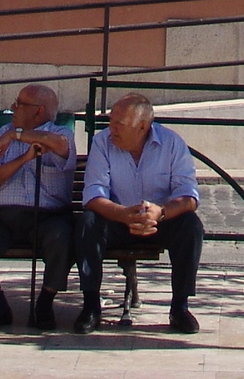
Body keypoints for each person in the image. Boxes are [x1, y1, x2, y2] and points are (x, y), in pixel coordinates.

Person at [73, 92, 203, 335]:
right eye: (111, 121)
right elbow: (93, 195)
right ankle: (91, 306)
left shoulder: (172, 144)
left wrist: (161, 213)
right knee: (87, 223)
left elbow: (189, 196)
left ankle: (180, 308)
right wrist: (123, 214)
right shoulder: (103, 143)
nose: (112, 128)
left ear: (142, 126)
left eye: (119, 124)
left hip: (159, 221)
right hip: (117, 219)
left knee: (190, 226)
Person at [0, 82, 75, 330]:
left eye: (19, 104)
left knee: (63, 236)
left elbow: (60, 146)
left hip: (47, 217)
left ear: (38, 111)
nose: (13, 107)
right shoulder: (1, 135)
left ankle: (45, 303)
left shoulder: (61, 134)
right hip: (0, 216)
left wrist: (16, 135)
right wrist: (23, 157)